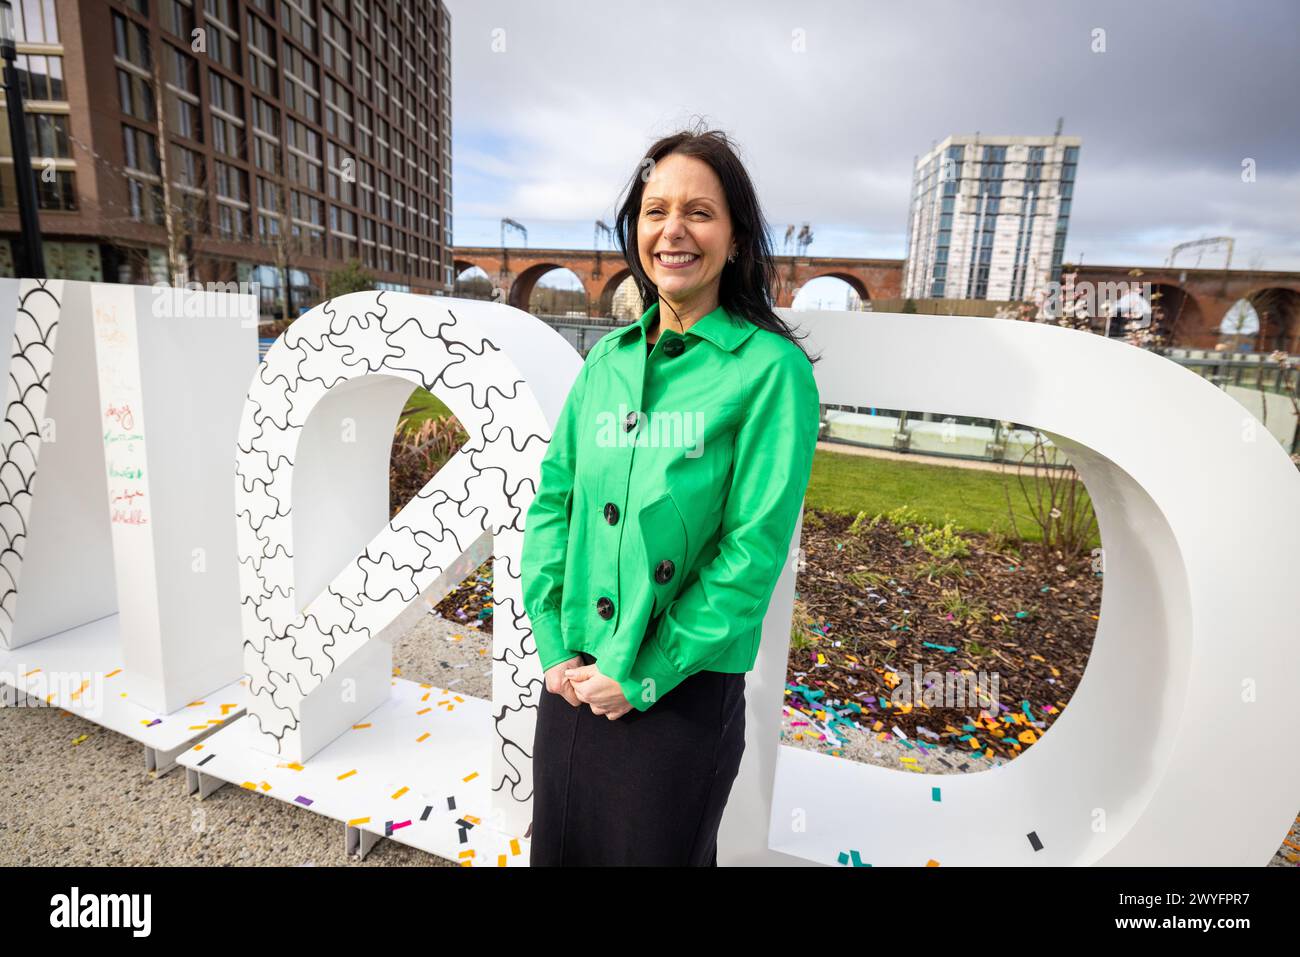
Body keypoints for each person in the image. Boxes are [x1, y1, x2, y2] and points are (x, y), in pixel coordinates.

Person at [521, 123, 822, 866]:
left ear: (738, 238)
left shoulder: (771, 372)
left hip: (677, 693)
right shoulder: (606, 362)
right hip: (572, 685)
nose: (672, 230)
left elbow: (751, 553)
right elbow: (554, 504)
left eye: (699, 211)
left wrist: (644, 671)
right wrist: (555, 647)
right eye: (655, 210)